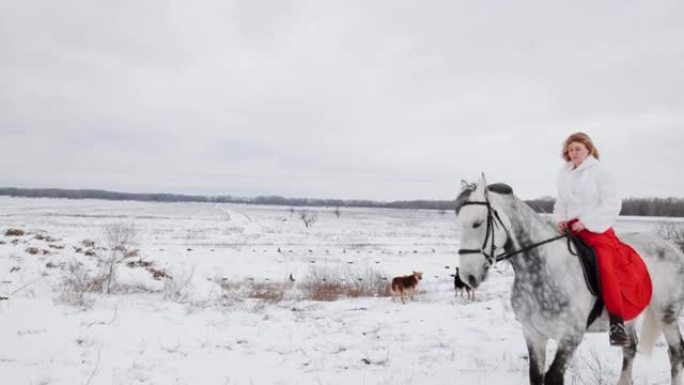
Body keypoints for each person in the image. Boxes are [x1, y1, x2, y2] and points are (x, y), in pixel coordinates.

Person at [552, 132, 652, 347]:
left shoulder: (600, 172)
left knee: (606, 268)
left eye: (578, 148)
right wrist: (560, 219)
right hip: (570, 230)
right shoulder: (565, 173)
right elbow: (560, 202)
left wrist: (586, 222)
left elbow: (612, 204)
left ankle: (616, 323)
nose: (574, 153)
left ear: (589, 149)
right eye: (570, 149)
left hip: (596, 231)